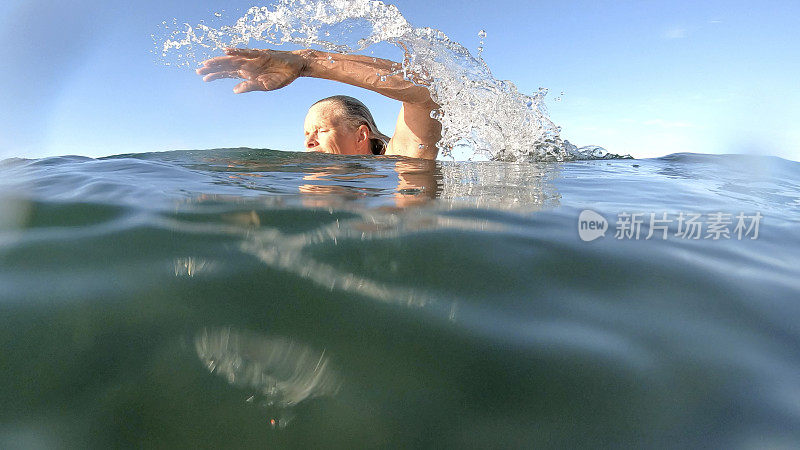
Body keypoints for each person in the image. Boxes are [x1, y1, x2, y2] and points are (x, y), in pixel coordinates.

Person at [196, 48, 442, 160]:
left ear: (361, 136)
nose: (308, 142)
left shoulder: (398, 165)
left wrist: (307, 62)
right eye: (306, 134)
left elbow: (425, 94)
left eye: (320, 130)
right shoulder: (314, 186)